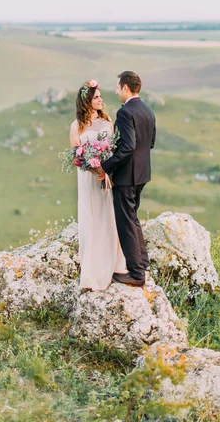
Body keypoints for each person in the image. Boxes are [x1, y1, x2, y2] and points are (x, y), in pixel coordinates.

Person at [96, 71, 156, 287]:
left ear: (125, 88)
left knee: (126, 222)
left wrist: (105, 167)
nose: (115, 91)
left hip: (126, 176)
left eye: (117, 87)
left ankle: (136, 274)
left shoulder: (125, 112)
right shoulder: (148, 110)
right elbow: (150, 143)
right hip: (142, 174)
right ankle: (143, 263)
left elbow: (127, 147)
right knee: (133, 218)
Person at [69, 79, 128, 290]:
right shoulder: (76, 126)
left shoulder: (108, 121)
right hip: (88, 178)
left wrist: (105, 169)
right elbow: (76, 155)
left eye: (101, 96)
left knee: (107, 217)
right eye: (96, 97)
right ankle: (93, 270)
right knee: (91, 218)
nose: (101, 100)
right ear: (87, 101)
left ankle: (113, 264)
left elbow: (113, 149)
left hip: (106, 177)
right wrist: (92, 166)